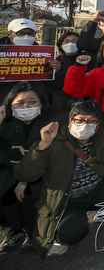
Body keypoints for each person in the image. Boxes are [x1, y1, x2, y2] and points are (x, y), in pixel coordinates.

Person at [13, 100, 104, 257]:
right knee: (71, 231)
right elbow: (25, 174)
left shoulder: (103, 135)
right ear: (71, 121)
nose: (85, 125)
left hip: (97, 191)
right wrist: (43, 144)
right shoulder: (53, 140)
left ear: (98, 125)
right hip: (68, 199)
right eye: (80, 120)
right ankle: (59, 237)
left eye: (91, 121)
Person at [0, 83, 57, 254]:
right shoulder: (5, 122)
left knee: (28, 194)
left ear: (42, 103)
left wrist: (24, 179)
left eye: (32, 102)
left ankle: (33, 232)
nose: (26, 107)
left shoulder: (52, 122)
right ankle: (13, 231)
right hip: (9, 172)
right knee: (6, 192)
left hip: (41, 173)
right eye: (19, 103)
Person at [0, 19, 61, 103]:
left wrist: (56, 72)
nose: (26, 36)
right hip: (4, 101)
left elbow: (54, 87)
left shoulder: (43, 55)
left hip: (34, 102)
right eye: (20, 33)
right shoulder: (2, 52)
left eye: (30, 33)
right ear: (9, 34)